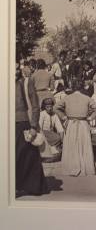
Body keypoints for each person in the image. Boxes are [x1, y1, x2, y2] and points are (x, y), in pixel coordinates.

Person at [54, 78, 96, 176]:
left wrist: (63, 116)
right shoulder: (86, 98)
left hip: (71, 123)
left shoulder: (67, 97)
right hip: (83, 123)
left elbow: (55, 107)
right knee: (83, 144)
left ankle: (71, 167)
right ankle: (85, 167)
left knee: (71, 144)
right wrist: (91, 117)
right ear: (82, 87)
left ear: (73, 87)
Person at [15, 65, 48, 197]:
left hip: (23, 123)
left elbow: (35, 105)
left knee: (26, 156)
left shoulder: (26, 82)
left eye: (17, 68)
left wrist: (33, 126)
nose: (15, 71)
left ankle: (31, 186)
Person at [39, 98, 64, 163]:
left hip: (51, 134)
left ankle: (55, 151)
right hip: (43, 133)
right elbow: (39, 127)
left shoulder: (54, 115)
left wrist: (62, 139)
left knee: (60, 138)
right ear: (44, 107)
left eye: (51, 107)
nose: (49, 108)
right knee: (56, 138)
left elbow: (60, 128)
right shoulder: (42, 114)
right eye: (47, 107)